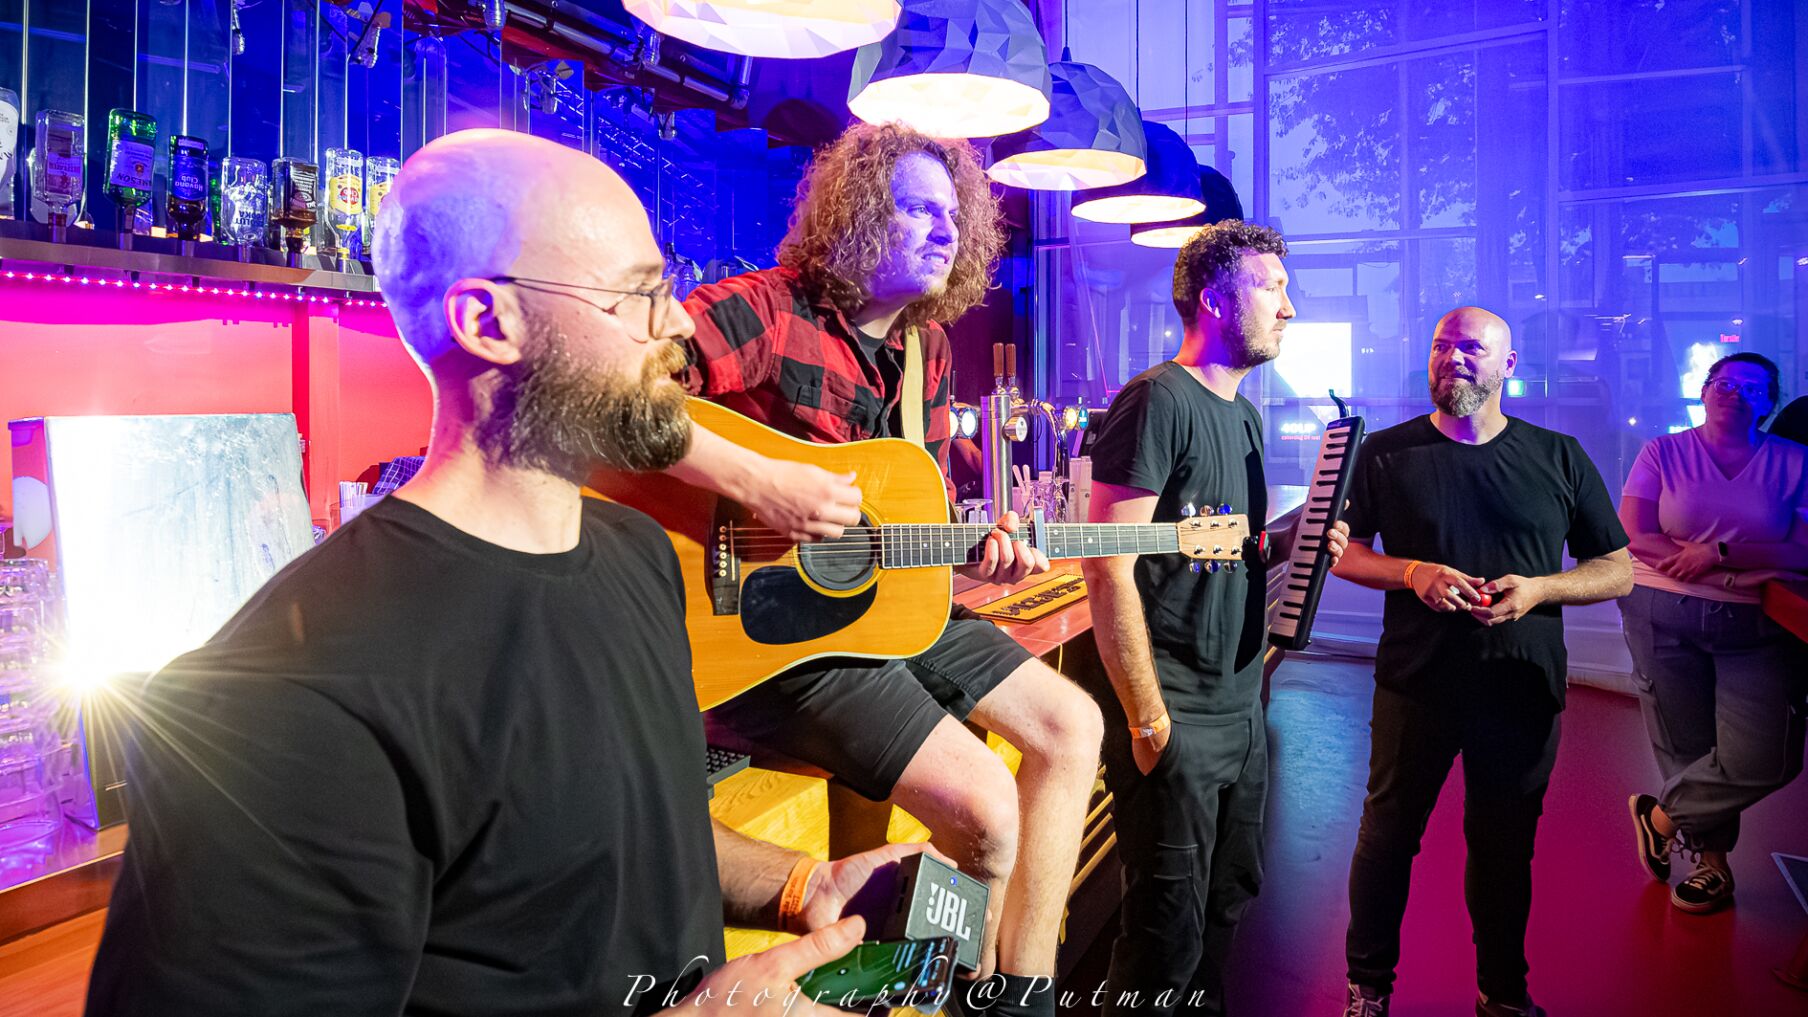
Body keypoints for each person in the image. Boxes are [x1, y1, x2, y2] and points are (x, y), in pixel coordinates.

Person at [84, 128, 934, 1017]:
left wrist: (802, 886)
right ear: (487, 322)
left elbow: (630, 828)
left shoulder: (636, 560)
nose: (681, 323)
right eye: (640, 293)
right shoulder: (285, 701)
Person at [667, 121, 1104, 1017]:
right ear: (860, 215)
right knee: (985, 806)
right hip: (765, 627)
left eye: (954, 215)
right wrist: (756, 479)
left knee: (1073, 725)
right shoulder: (769, 309)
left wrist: (983, 546)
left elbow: (903, 517)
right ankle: (905, 987)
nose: (946, 231)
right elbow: (619, 386)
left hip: (881, 612)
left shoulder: (926, 353)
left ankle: (1019, 998)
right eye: (918, 208)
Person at [1331, 307, 1632, 1017]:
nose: (1453, 358)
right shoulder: (1384, 454)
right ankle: (1367, 989)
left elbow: (1617, 568)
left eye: (1472, 348)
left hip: (1520, 691)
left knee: (1503, 849)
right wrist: (1412, 573)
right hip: (1416, 685)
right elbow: (1339, 549)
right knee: (1387, 840)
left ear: (1509, 364)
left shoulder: (1557, 456)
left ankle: (1502, 993)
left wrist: (1541, 589)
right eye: (1441, 345)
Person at [1080, 221, 1348, 1017]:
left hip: (1240, 705)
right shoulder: (1156, 399)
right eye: (1273, 286)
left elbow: (1233, 546)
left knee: (1229, 900)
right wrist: (1149, 718)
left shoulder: (1246, 420)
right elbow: (1107, 563)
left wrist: (1298, 537)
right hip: (1177, 710)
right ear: (1214, 298)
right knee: (1165, 934)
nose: (1289, 308)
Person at [1621, 352, 1808, 913]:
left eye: (1751, 388)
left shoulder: (1796, 461)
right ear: (1702, 392)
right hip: (1660, 610)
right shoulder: (1663, 451)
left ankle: (1658, 818)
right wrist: (1723, 567)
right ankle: (1712, 868)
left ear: (1770, 403)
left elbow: (1802, 548)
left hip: (1756, 624)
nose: (1734, 392)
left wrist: (1719, 551)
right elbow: (1634, 532)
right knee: (1685, 745)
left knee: (1765, 757)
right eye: (1723, 382)